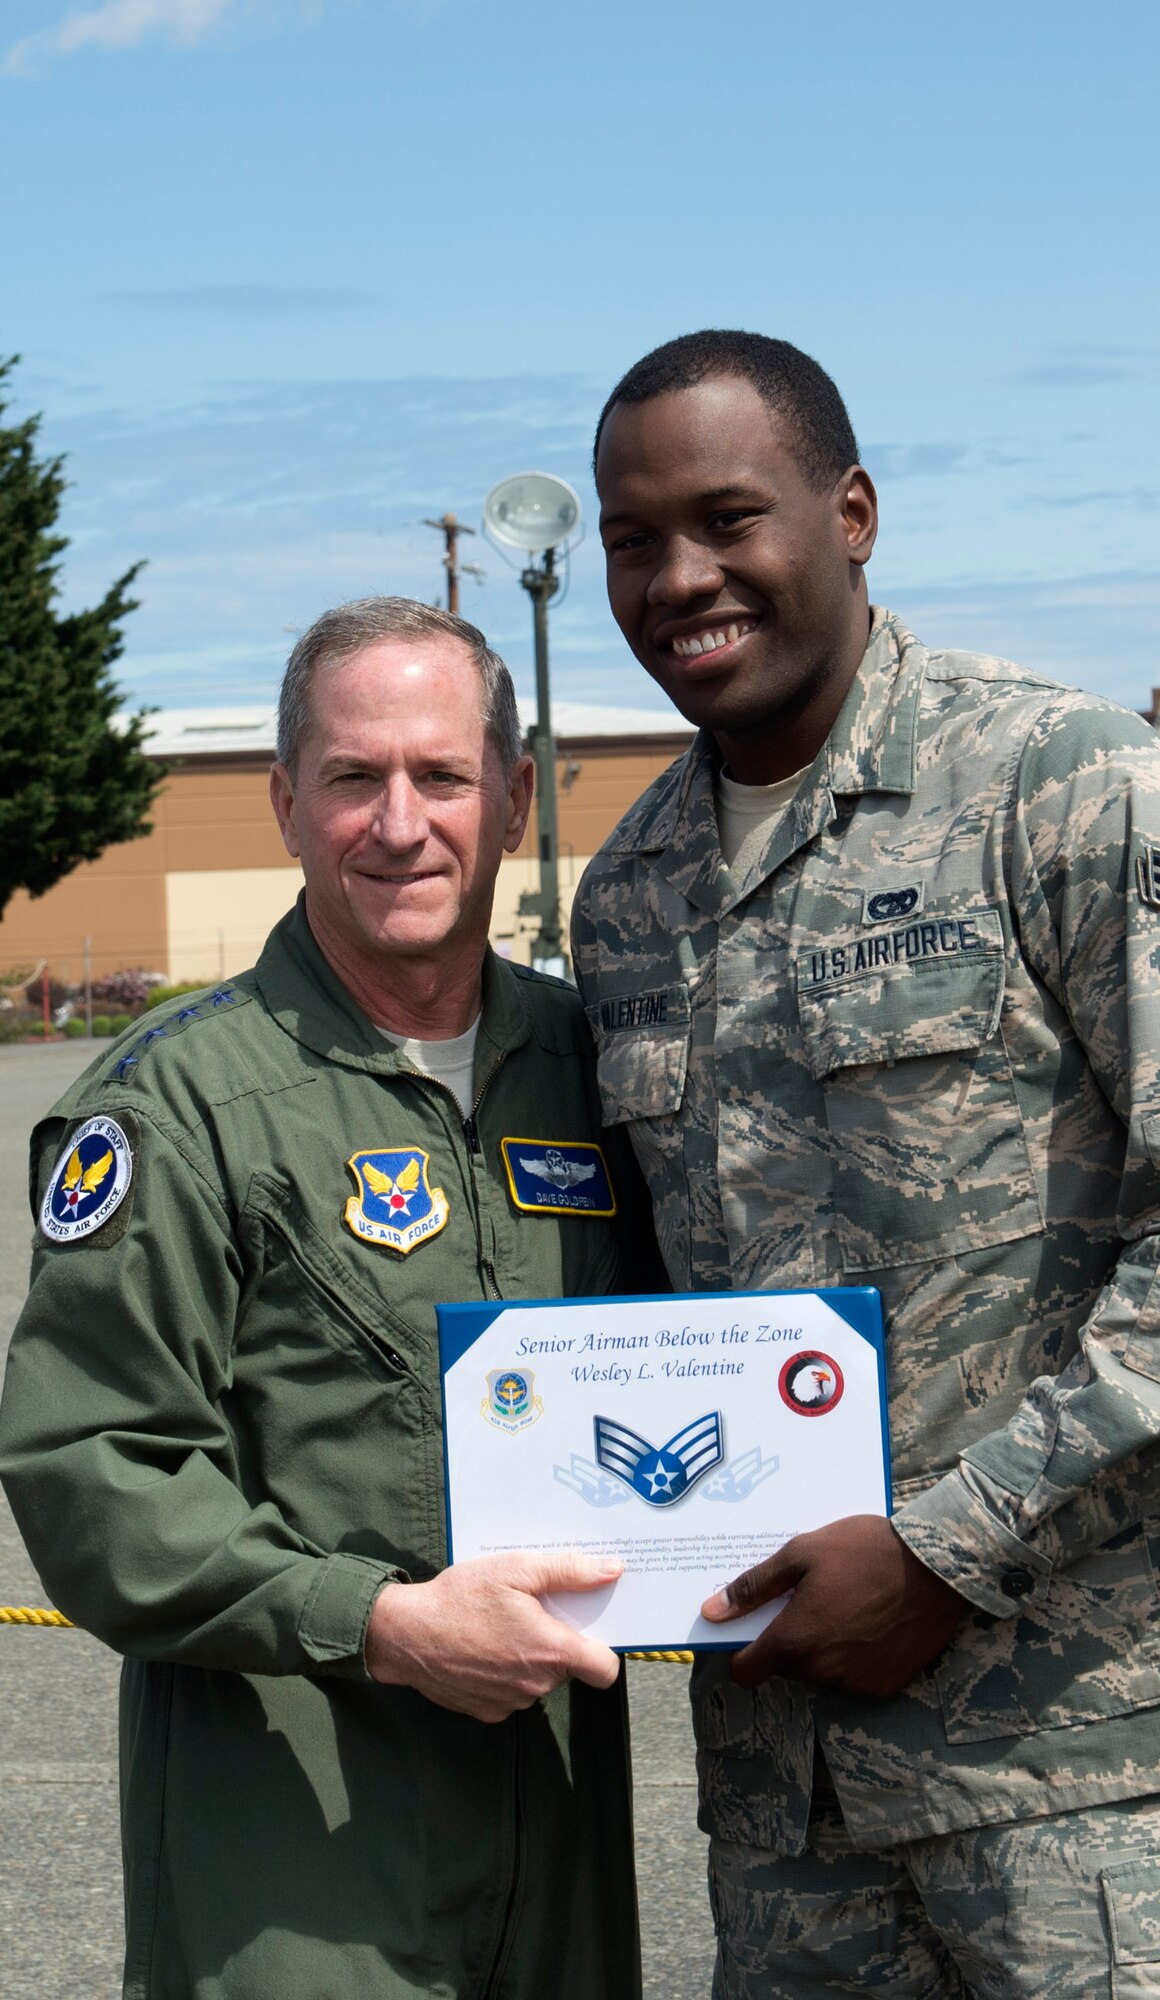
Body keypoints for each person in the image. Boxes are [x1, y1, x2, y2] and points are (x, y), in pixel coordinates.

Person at [571, 331, 1160, 1998]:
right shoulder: (629, 892)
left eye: (726, 518)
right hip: (796, 1798)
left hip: (1091, 1761)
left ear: (849, 512)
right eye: (635, 541)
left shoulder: (1059, 783)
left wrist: (950, 1549)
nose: (678, 578)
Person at [0, 597, 662, 2000]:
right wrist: (379, 1622)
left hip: (561, 1840)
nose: (400, 822)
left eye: (443, 775)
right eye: (355, 778)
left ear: (515, 795)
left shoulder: (601, 1072)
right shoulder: (177, 1109)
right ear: (287, 803)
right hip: (295, 1865)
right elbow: (91, 1472)